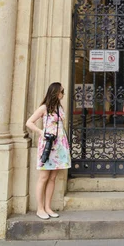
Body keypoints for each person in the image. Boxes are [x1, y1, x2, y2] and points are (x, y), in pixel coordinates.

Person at [26, 82, 71, 220]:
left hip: (59, 145)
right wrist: (41, 132)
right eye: (62, 91)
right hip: (48, 144)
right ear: (56, 92)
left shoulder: (59, 107)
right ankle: (40, 208)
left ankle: (47, 207)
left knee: (52, 178)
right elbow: (29, 122)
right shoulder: (44, 108)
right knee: (44, 177)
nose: (63, 94)